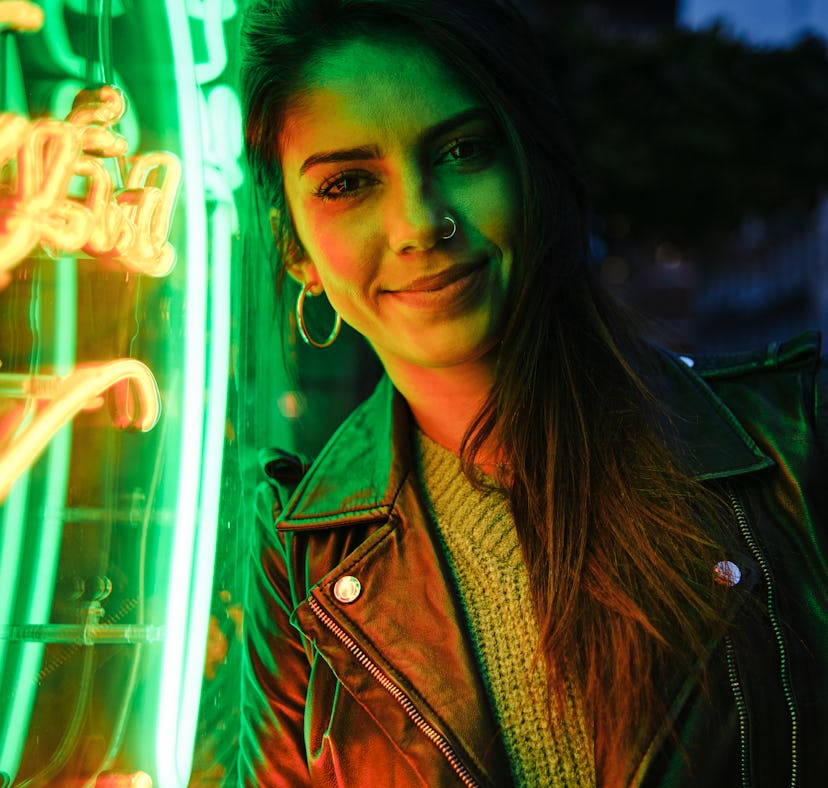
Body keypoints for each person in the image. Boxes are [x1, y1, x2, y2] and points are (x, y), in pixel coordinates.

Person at [237, 1, 828, 785]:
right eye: (347, 183)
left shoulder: (796, 444)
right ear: (295, 251)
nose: (420, 223)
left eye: (463, 150)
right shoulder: (296, 560)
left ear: (535, 168)